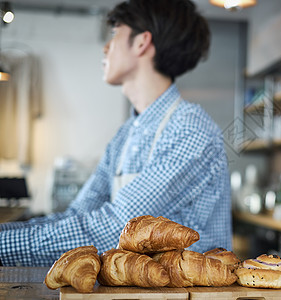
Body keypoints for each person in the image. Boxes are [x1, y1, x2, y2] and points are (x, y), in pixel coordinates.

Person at [0, 0, 232, 267]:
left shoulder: (190, 130)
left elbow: (112, 229)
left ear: (141, 43)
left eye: (114, 34)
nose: (106, 47)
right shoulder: (125, 135)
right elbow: (79, 213)